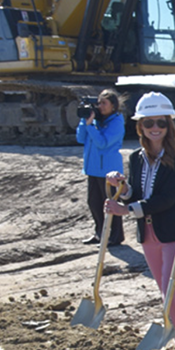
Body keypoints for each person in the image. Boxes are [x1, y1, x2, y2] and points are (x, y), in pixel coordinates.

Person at [103, 93, 175, 350]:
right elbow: (136, 193)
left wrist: (129, 211)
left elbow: (168, 198)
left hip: (173, 234)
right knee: (168, 293)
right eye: (149, 123)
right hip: (148, 235)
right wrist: (121, 189)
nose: (155, 127)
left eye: (161, 122)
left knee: (172, 294)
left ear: (169, 125)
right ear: (140, 126)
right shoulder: (136, 158)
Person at [77, 88, 126, 246]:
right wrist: (85, 121)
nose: (100, 107)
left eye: (104, 103)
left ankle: (116, 236)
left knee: (112, 204)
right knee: (94, 203)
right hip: (92, 169)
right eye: (98, 103)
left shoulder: (117, 122)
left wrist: (91, 126)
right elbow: (80, 138)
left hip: (109, 171)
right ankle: (99, 233)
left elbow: (103, 143)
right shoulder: (96, 121)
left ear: (113, 106)